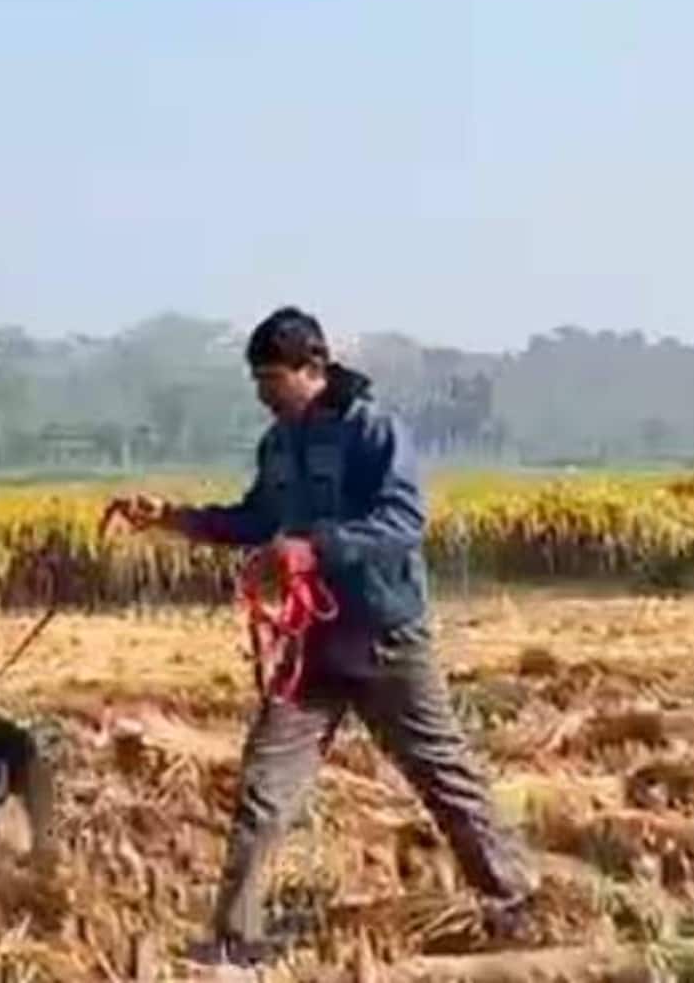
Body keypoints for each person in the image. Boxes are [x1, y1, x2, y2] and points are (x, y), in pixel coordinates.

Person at [107, 306, 537, 966]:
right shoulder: (278, 444)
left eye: (273, 379)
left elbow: (401, 522)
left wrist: (312, 549)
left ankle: (514, 902)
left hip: (387, 638)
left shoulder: (373, 430)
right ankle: (234, 939)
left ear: (314, 367)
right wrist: (169, 517)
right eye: (258, 381)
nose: (264, 394)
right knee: (263, 783)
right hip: (311, 646)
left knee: (441, 772)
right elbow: (256, 518)